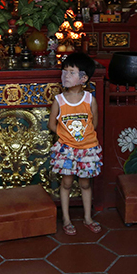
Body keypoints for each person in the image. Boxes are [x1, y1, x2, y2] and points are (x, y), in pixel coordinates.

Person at [49, 52, 102, 236]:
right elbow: (51, 124)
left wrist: (82, 138)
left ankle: (88, 218)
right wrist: (66, 135)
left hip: (87, 149)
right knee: (67, 183)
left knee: (86, 184)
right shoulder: (59, 100)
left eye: (71, 72)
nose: (66, 76)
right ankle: (66, 218)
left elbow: (93, 124)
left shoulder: (89, 100)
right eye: (64, 72)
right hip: (67, 150)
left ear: (84, 78)